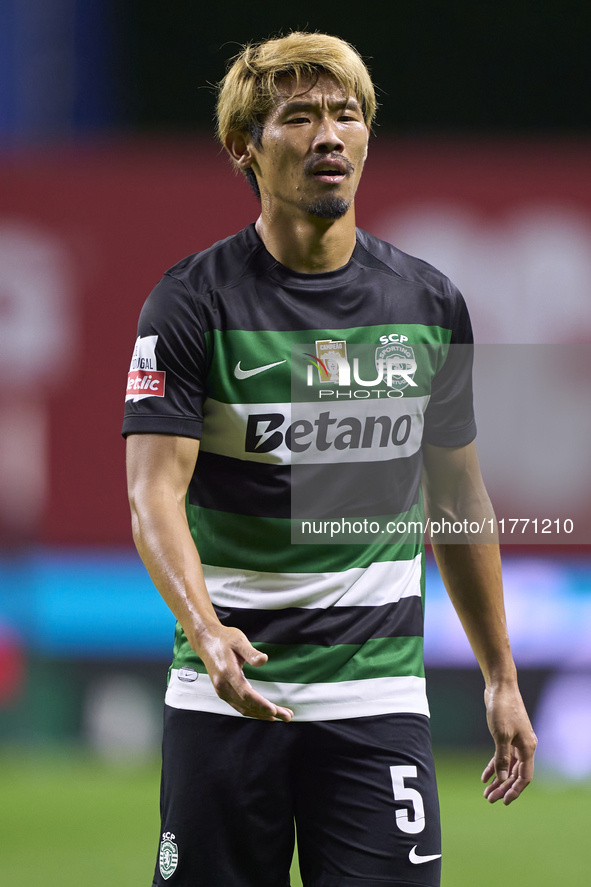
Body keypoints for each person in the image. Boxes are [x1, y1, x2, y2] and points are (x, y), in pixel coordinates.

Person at [123, 31, 537, 887]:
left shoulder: (425, 302)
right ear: (245, 145)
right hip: (223, 695)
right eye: (299, 116)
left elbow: (457, 497)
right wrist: (205, 632)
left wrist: (500, 674)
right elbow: (152, 492)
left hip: (375, 698)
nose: (329, 136)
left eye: (347, 115)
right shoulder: (190, 302)